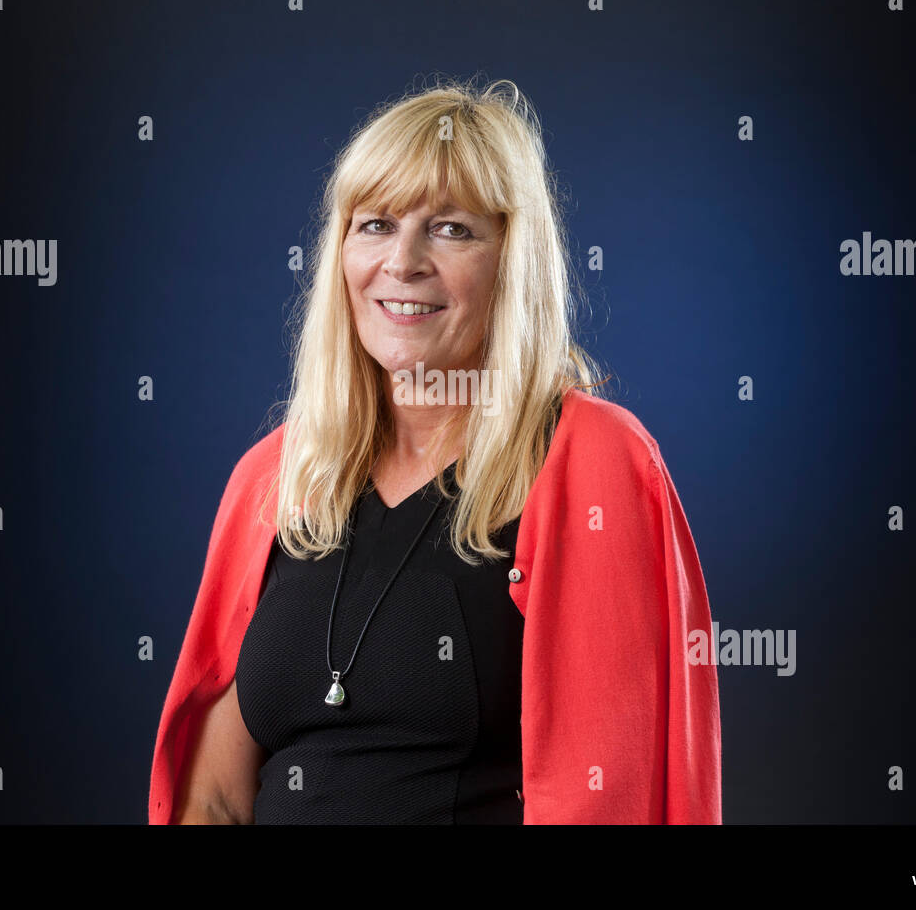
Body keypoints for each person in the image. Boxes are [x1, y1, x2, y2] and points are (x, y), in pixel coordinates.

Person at [149, 77, 721, 824]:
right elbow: (214, 799)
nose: (404, 261)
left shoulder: (594, 461)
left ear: (510, 262)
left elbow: (614, 789)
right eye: (376, 224)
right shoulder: (274, 478)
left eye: (452, 229)